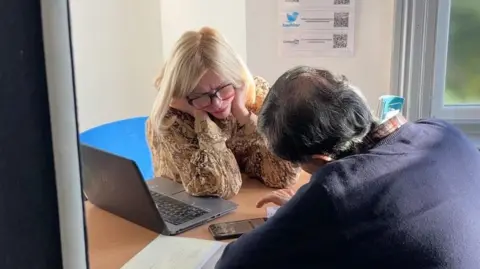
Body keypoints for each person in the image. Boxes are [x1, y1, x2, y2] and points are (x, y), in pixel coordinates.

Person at [215, 66, 480, 268]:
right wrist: (306, 210)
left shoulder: (336, 191)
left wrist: (309, 210)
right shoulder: (440, 132)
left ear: (320, 160)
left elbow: (234, 263)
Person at [146, 27, 300, 199]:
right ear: (183, 92)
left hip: (246, 205)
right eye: (201, 94)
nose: (217, 102)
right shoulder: (170, 118)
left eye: (223, 88)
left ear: (236, 78)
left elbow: (284, 175)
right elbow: (219, 188)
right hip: (190, 210)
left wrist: (243, 114)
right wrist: (202, 120)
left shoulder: (256, 95)